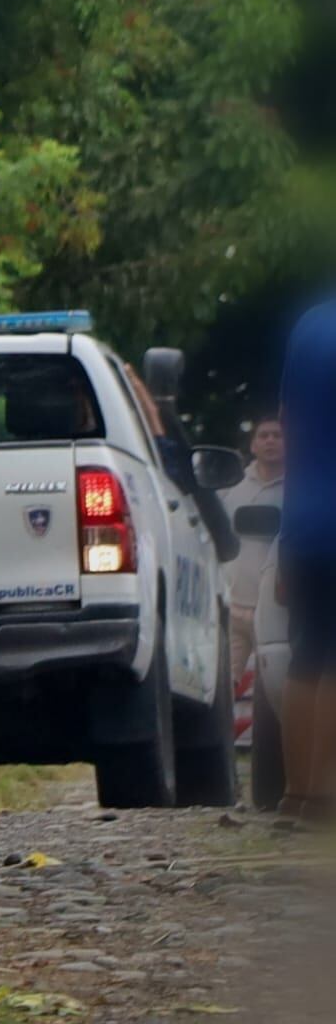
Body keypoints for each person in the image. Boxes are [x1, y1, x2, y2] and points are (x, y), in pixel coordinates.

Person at [277, 299, 336, 821]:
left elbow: (286, 424)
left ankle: (298, 790)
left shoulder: (309, 325)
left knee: (306, 653)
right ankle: (323, 793)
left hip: (305, 518)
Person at [220, 415, 285, 688]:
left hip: (276, 611)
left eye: (277, 435)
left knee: (276, 688)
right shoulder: (230, 489)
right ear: (253, 445)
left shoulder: (299, 489)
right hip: (233, 608)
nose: (270, 440)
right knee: (222, 688)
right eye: (263, 435)